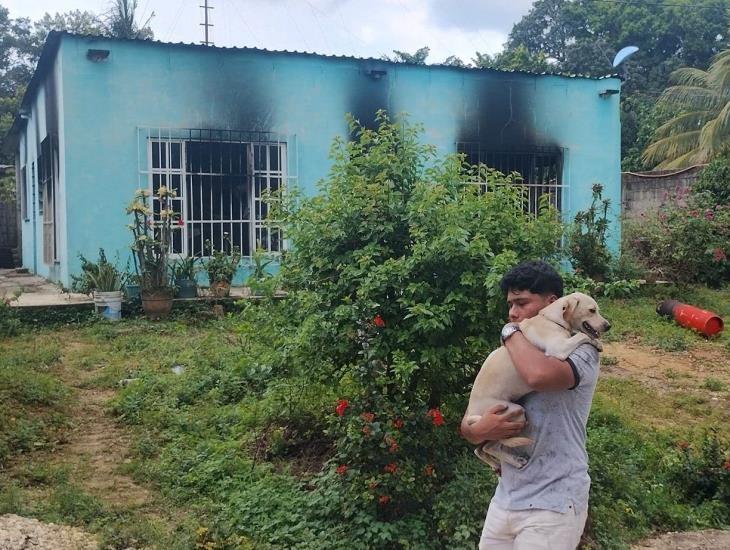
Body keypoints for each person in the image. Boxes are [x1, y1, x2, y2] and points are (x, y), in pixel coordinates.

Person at [460, 260, 600, 549]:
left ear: (554, 303)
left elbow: (538, 375)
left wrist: (510, 332)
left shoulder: (584, 349)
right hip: (507, 498)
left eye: (521, 303)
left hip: (554, 501)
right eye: (510, 304)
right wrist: (482, 429)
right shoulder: (515, 349)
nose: (513, 312)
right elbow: (468, 426)